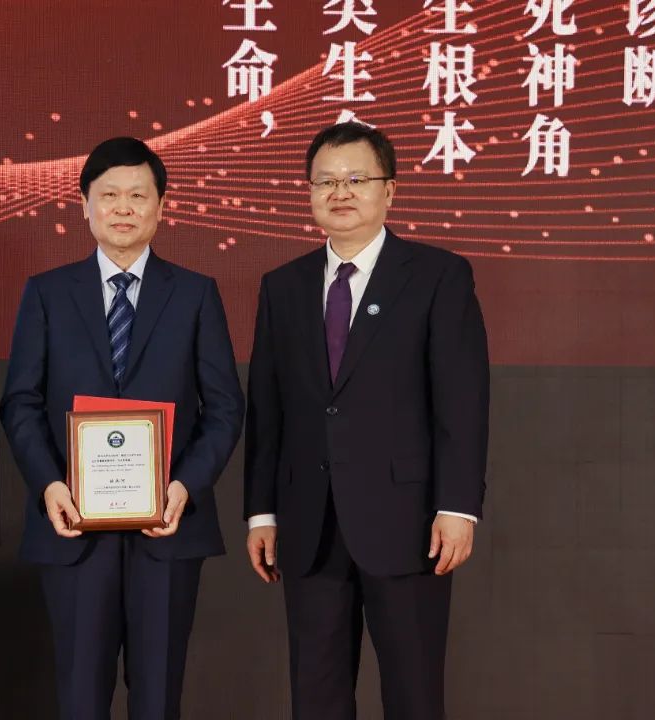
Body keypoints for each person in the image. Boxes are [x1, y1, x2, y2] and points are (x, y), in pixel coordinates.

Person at [244, 122, 489, 720]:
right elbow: (268, 411)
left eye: (356, 179)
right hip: (309, 524)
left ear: (390, 190)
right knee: (316, 695)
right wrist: (262, 512)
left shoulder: (437, 275)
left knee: (413, 694)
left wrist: (458, 507)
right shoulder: (282, 287)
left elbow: (462, 401)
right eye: (325, 181)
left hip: (409, 523)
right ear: (309, 192)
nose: (340, 192)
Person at [0, 137, 244, 720]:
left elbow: (224, 407)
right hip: (72, 526)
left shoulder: (195, 294)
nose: (123, 207)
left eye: (138, 195)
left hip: (168, 526)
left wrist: (183, 487)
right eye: (109, 195)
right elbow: (20, 403)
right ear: (84, 204)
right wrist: (50, 485)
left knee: (158, 698)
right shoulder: (47, 293)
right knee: (80, 697)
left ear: (162, 206)